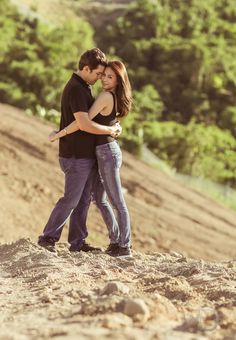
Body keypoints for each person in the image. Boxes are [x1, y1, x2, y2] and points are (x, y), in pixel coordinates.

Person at [38, 48, 122, 253]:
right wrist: (110, 130)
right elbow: (84, 123)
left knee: (83, 200)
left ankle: (77, 243)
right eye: (98, 74)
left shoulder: (84, 86)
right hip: (75, 156)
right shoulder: (76, 88)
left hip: (83, 155)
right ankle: (47, 238)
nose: (100, 78)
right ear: (86, 68)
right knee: (71, 199)